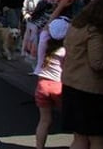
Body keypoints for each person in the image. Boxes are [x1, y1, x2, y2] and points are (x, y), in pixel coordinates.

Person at [61, 0, 103, 149]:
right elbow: (98, 63)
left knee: (79, 138)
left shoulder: (76, 26)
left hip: (71, 84)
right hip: (92, 91)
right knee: (98, 140)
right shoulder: (95, 31)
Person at [34, 18, 70, 149]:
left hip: (42, 84)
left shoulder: (43, 41)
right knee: (72, 119)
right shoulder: (66, 49)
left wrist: (58, 8)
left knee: (44, 121)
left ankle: (39, 146)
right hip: (59, 85)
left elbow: (46, 27)